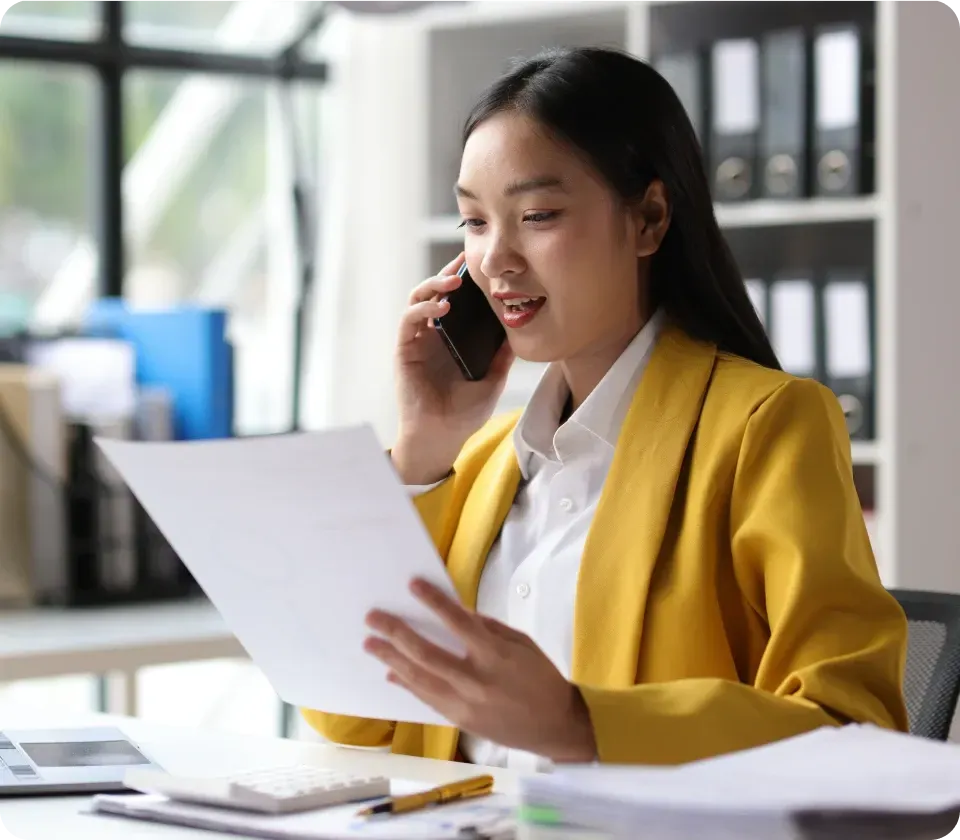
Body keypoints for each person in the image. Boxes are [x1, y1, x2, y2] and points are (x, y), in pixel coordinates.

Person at [302, 46, 908, 768]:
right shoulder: (479, 462)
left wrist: (579, 723)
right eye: (474, 222)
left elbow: (853, 728)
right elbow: (350, 722)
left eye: (537, 214)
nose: (495, 259)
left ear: (649, 218)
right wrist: (422, 448)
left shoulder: (766, 426)